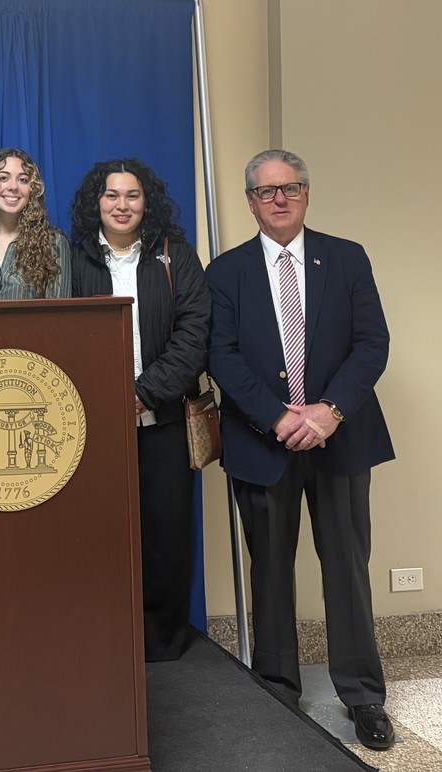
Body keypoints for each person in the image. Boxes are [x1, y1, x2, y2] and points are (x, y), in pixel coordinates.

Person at [206, 149, 395, 750]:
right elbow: (222, 356)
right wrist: (278, 416)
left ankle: (363, 695)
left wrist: (328, 412)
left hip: (340, 437)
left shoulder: (346, 257)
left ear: (307, 193)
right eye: (266, 192)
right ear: (251, 202)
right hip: (263, 441)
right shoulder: (226, 271)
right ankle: (277, 689)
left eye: (289, 188)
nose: (279, 199)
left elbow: (372, 342)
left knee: (347, 566)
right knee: (270, 569)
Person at [70, 158, 210, 662]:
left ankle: (162, 643)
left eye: (132, 195)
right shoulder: (73, 258)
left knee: (165, 536)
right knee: (95, 534)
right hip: (92, 425)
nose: (122, 205)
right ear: (96, 202)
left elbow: (195, 335)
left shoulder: (176, 256)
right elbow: (61, 336)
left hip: (162, 421)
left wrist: (145, 392)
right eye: (112, 195)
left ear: (146, 202)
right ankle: (102, 639)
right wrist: (104, 395)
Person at [0, 147, 71, 299]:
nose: (13, 187)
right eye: (3, 178)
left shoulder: (53, 243)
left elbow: (58, 316)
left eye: (23, 180)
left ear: (33, 189)